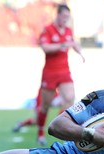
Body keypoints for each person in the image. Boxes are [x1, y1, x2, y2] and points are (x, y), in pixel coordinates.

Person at [33, 3, 84, 146]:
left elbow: (73, 43)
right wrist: (62, 45)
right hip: (50, 72)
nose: (66, 19)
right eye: (64, 16)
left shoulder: (68, 30)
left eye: (68, 17)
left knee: (69, 99)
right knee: (45, 105)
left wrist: (80, 52)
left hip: (64, 71)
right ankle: (41, 132)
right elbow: (45, 48)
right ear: (58, 15)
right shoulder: (48, 30)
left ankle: (66, 132)